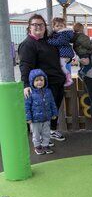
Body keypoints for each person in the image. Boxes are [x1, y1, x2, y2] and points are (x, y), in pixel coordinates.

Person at [19, 14, 66, 142]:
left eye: (41, 24)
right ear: (29, 27)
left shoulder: (48, 41)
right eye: (35, 24)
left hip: (56, 82)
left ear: (45, 27)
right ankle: (40, 138)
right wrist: (26, 85)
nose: (38, 27)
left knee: (53, 109)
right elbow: (25, 66)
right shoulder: (28, 44)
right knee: (41, 113)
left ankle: (51, 131)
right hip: (43, 86)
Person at [25, 69, 58, 155]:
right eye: (36, 80)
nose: (39, 82)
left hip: (46, 118)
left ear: (45, 80)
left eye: (41, 80)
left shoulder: (48, 91)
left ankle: (45, 145)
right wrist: (28, 118)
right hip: (35, 120)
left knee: (46, 133)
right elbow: (27, 107)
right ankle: (37, 147)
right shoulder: (30, 93)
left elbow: (52, 103)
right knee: (36, 135)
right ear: (32, 82)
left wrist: (54, 113)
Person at [47, 17, 74, 87]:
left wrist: (48, 41)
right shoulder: (55, 35)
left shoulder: (63, 34)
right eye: (57, 26)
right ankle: (66, 80)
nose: (59, 28)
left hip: (64, 54)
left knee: (63, 67)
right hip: (61, 54)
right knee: (62, 68)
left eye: (61, 26)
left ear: (64, 26)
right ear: (53, 27)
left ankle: (68, 79)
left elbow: (59, 42)